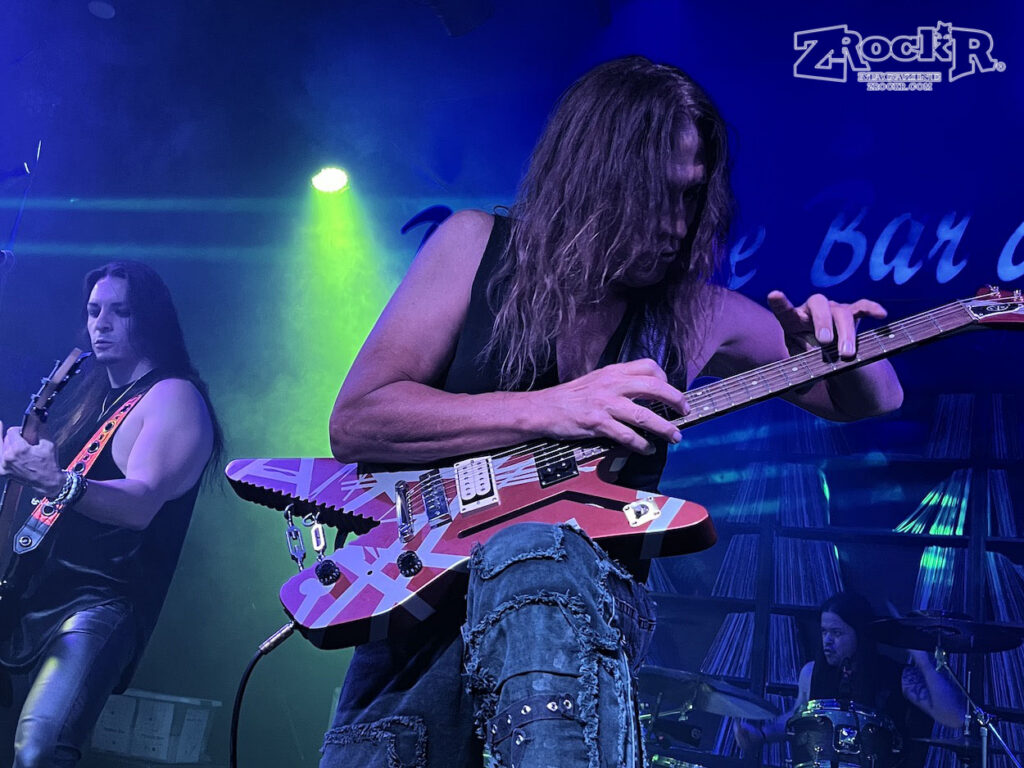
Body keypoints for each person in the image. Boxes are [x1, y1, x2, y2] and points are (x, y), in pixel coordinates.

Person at [321, 56, 904, 768]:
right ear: (594, 174)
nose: (677, 224)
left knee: (542, 556)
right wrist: (553, 408)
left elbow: (871, 401)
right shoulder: (475, 246)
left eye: (692, 196)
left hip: (574, 659)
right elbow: (359, 419)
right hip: (418, 638)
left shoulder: (696, 312)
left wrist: (845, 347)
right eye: (658, 195)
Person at [0, 261, 221, 768]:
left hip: (99, 602)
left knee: (40, 748)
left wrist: (54, 480)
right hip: (35, 591)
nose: (100, 323)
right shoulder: (94, 399)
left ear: (152, 319)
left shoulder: (174, 396)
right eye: (94, 310)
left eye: (121, 311)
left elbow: (140, 503)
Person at [733, 592, 965, 766]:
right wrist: (762, 735)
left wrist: (923, 661)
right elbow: (798, 717)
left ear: (860, 635)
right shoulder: (811, 672)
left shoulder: (897, 675)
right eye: (824, 632)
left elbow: (954, 717)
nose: (827, 641)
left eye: (837, 633)